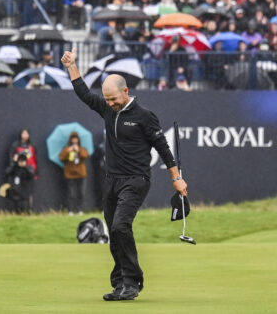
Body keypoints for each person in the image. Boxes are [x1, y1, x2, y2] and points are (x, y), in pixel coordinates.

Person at [61, 48, 187, 301]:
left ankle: (132, 281)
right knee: (114, 232)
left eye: (113, 99)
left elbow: (163, 148)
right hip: (111, 181)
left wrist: (176, 177)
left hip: (136, 180)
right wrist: (72, 66)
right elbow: (85, 94)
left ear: (125, 92)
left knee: (120, 226)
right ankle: (120, 283)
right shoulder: (108, 110)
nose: (109, 104)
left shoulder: (144, 116)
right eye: (106, 100)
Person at [59, 131, 89, 215]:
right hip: (69, 174)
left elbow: (85, 156)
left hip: (81, 174)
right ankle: (70, 210)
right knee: (70, 193)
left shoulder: (82, 148)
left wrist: (78, 150)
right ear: (70, 140)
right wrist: (68, 151)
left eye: (76, 139)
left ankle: (80, 210)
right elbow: (61, 158)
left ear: (78, 140)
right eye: (73, 138)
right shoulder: (66, 149)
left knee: (81, 193)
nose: (74, 140)